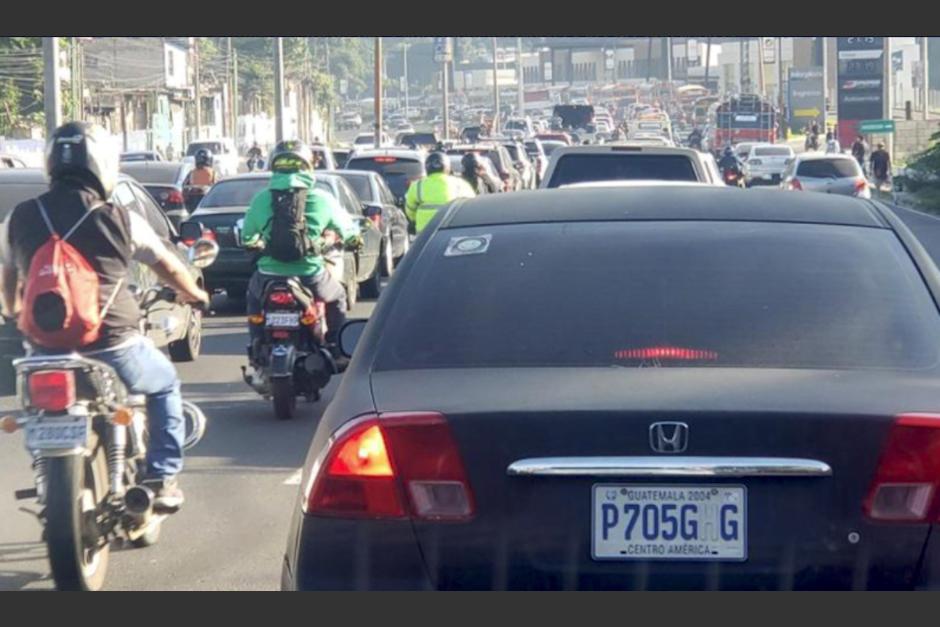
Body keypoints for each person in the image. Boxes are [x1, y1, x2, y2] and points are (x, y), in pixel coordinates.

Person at [0, 122, 210, 512]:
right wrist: (194, 294)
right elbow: (167, 265)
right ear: (102, 164)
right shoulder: (120, 218)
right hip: (113, 343)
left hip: (45, 349)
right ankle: (162, 477)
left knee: (36, 412)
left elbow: (8, 279)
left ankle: (46, 474)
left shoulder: (19, 218)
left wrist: (13, 312)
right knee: (165, 383)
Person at [241, 140, 361, 367]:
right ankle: (335, 348)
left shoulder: (261, 199)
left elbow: (247, 236)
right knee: (338, 297)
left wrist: (257, 245)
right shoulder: (322, 199)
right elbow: (348, 231)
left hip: (268, 275)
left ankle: (256, 346)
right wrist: (354, 240)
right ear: (307, 165)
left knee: (254, 299)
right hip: (310, 275)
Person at [404, 151, 476, 234]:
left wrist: (415, 220)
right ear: (448, 167)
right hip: (452, 232)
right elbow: (472, 206)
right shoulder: (460, 184)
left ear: (427, 168)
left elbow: (410, 210)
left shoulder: (417, 185)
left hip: (424, 235)